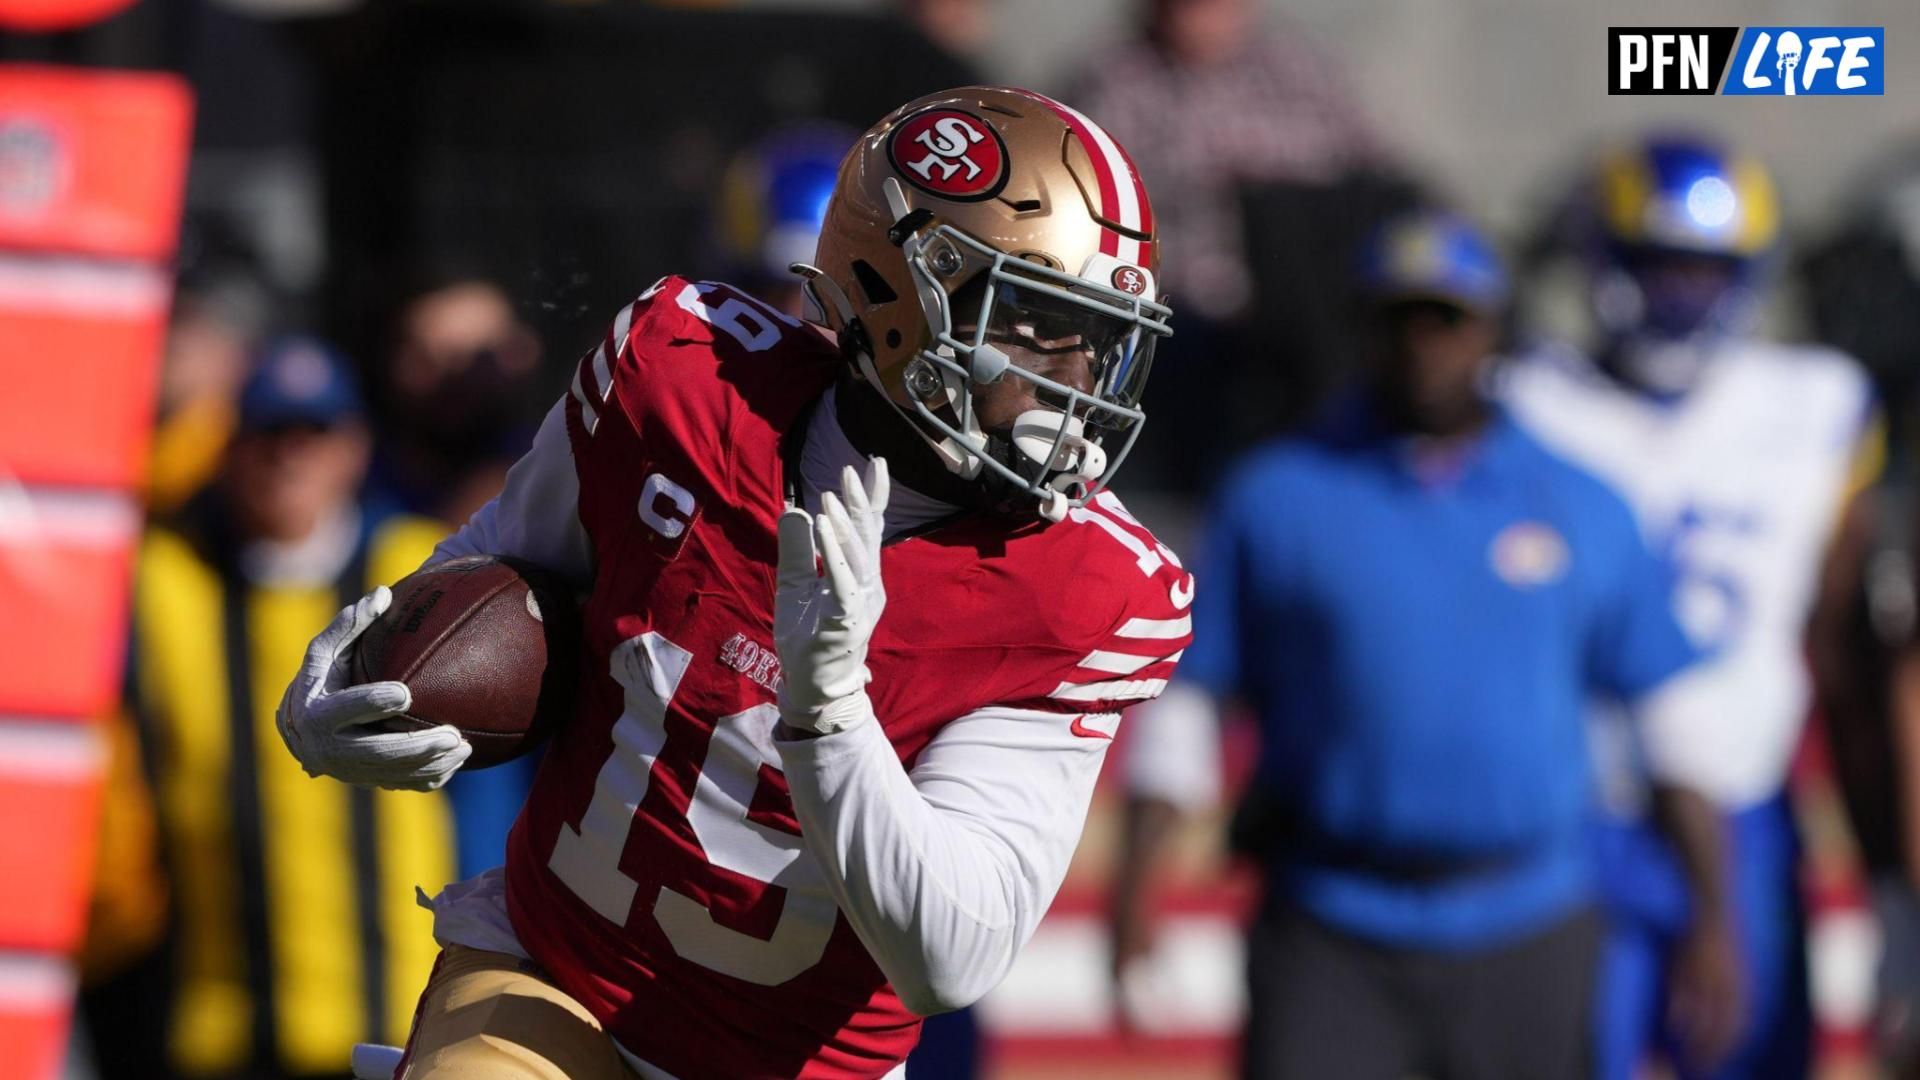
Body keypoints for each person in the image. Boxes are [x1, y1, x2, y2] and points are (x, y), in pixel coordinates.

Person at [275, 85, 1189, 1080]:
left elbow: (949, 956)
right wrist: (369, 682)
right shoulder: (683, 375)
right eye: (1035, 321)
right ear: (894, 293)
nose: (1079, 375)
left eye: (1098, 336)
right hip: (555, 978)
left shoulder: (1089, 587)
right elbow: (501, 566)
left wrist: (830, 709)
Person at [1112, 209, 1706, 1080]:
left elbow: (1671, 724)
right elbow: (1189, 707)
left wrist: (1715, 917)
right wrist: (1134, 901)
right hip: (1332, 926)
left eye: (1449, 319)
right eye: (1400, 319)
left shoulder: (1581, 503)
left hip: (1530, 923)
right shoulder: (1277, 497)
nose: (1424, 343)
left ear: (1493, 331)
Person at [1503, 135, 1880, 1080]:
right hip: (1574, 808)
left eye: (1706, 272)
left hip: (1747, 805)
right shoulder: (1524, 399)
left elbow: (1837, 637)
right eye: (1659, 267)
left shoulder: (1817, 404)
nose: (1682, 297)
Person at [81, 339, 455, 1080]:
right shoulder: (166, 580)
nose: (290, 457)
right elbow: (84, 511)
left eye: (314, 434)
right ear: (222, 447)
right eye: (266, 433)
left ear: (355, 448)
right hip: (217, 1029)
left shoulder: (424, 572)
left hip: (405, 1026)